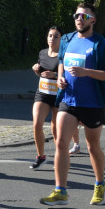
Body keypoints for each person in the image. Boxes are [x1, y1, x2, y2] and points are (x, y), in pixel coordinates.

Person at [40, 2, 105, 208]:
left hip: (93, 103)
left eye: (84, 16)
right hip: (69, 100)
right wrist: (60, 79)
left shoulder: (100, 44)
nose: (79, 19)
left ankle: (100, 184)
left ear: (93, 20)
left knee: (93, 147)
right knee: (61, 143)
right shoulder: (67, 39)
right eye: (76, 15)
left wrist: (86, 73)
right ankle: (60, 191)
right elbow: (63, 60)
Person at [30, 26, 79, 170]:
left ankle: (60, 156)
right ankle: (41, 157)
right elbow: (42, 73)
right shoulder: (43, 53)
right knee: (37, 124)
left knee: (57, 129)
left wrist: (56, 76)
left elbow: (70, 76)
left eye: (56, 36)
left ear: (61, 39)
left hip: (59, 96)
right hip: (43, 93)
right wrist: (36, 71)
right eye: (50, 36)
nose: (52, 39)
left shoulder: (65, 54)